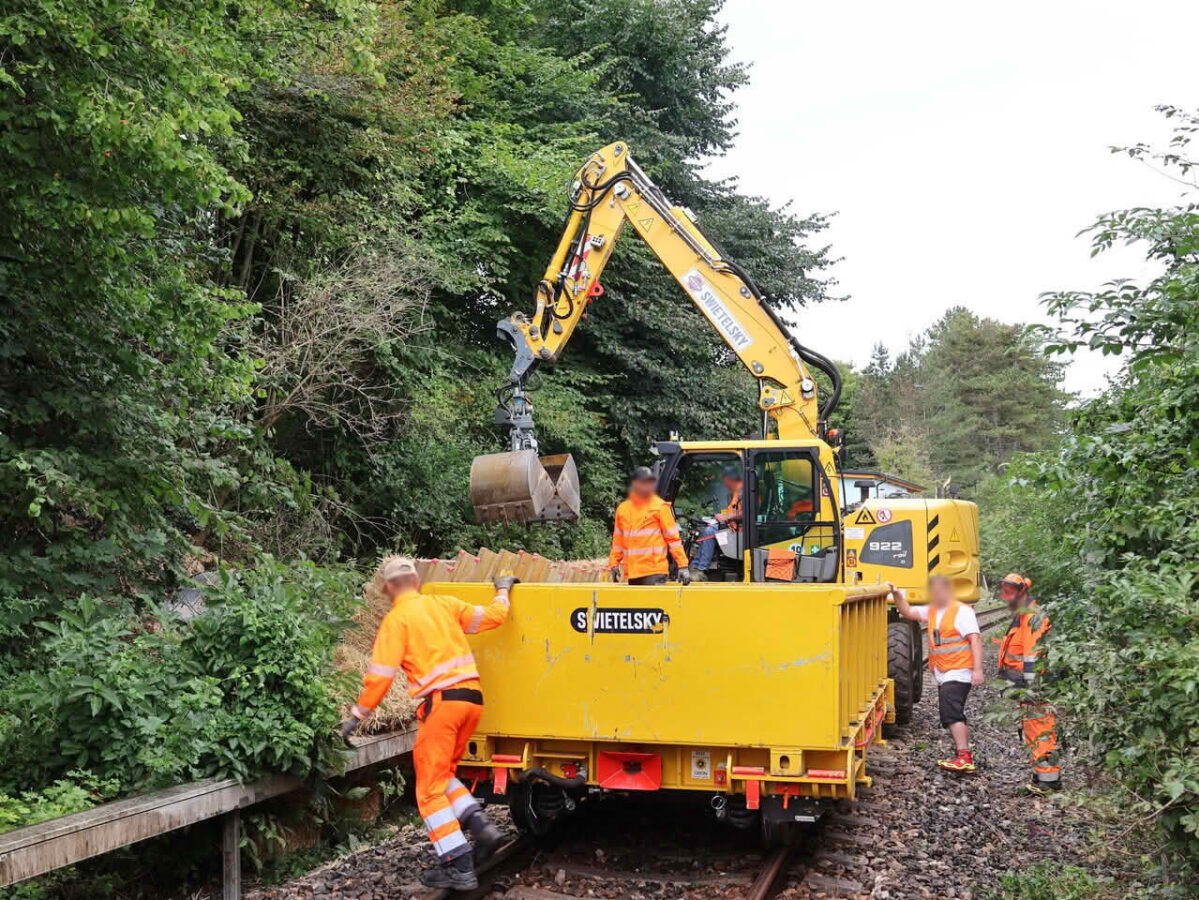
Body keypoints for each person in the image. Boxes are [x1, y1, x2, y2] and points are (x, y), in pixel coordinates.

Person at [340, 557, 516, 890]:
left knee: (429, 790)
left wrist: (356, 715)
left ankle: (457, 862)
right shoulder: (444, 605)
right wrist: (503, 591)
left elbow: (379, 678)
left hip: (442, 706)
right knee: (443, 775)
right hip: (472, 701)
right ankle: (481, 827)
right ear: (416, 581)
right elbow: (493, 617)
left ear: (390, 588)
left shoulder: (397, 620)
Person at [892, 575, 984, 773]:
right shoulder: (933, 610)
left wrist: (977, 670)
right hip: (945, 671)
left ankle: (964, 757)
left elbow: (975, 639)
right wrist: (896, 595)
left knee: (951, 712)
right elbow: (907, 611)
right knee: (951, 712)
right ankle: (963, 755)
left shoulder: (961, 611)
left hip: (959, 671)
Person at [995, 572, 1061, 790]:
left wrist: (1032, 688)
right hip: (1027, 685)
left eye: (1009, 593)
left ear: (1022, 592)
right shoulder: (1023, 616)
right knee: (1034, 729)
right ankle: (1041, 774)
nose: (1006, 598)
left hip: (1035, 686)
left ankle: (1048, 781)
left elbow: (1033, 655)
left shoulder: (1032, 617)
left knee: (1040, 728)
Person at [609, 466, 691, 585]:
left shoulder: (659, 507)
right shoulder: (623, 509)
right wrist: (614, 564)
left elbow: (673, 539)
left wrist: (683, 565)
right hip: (633, 572)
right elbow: (618, 542)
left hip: (654, 571)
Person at [690, 466, 743, 577]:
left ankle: (701, 568)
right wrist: (723, 516)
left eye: (726, 482)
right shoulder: (737, 492)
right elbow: (734, 511)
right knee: (708, 529)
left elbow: (747, 512)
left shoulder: (742, 491)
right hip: (733, 526)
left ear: (729, 480)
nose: (726, 486)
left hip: (739, 530)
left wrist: (725, 517)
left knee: (709, 531)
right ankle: (695, 565)